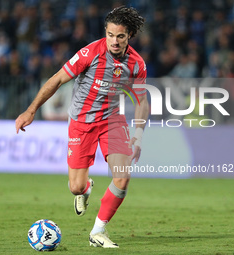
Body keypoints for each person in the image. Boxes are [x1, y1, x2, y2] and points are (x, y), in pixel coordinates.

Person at [15, 6, 149, 248]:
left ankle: (98, 231)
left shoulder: (137, 64)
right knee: (76, 187)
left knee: (123, 176)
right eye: (110, 35)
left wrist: (138, 135)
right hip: (82, 123)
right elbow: (56, 79)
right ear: (105, 33)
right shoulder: (90, 53)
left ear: (129, 35)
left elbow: (142, 100)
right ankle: (86, 189)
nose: (114, 41)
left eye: (120, 36)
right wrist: (31, 110)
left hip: (112, 121)